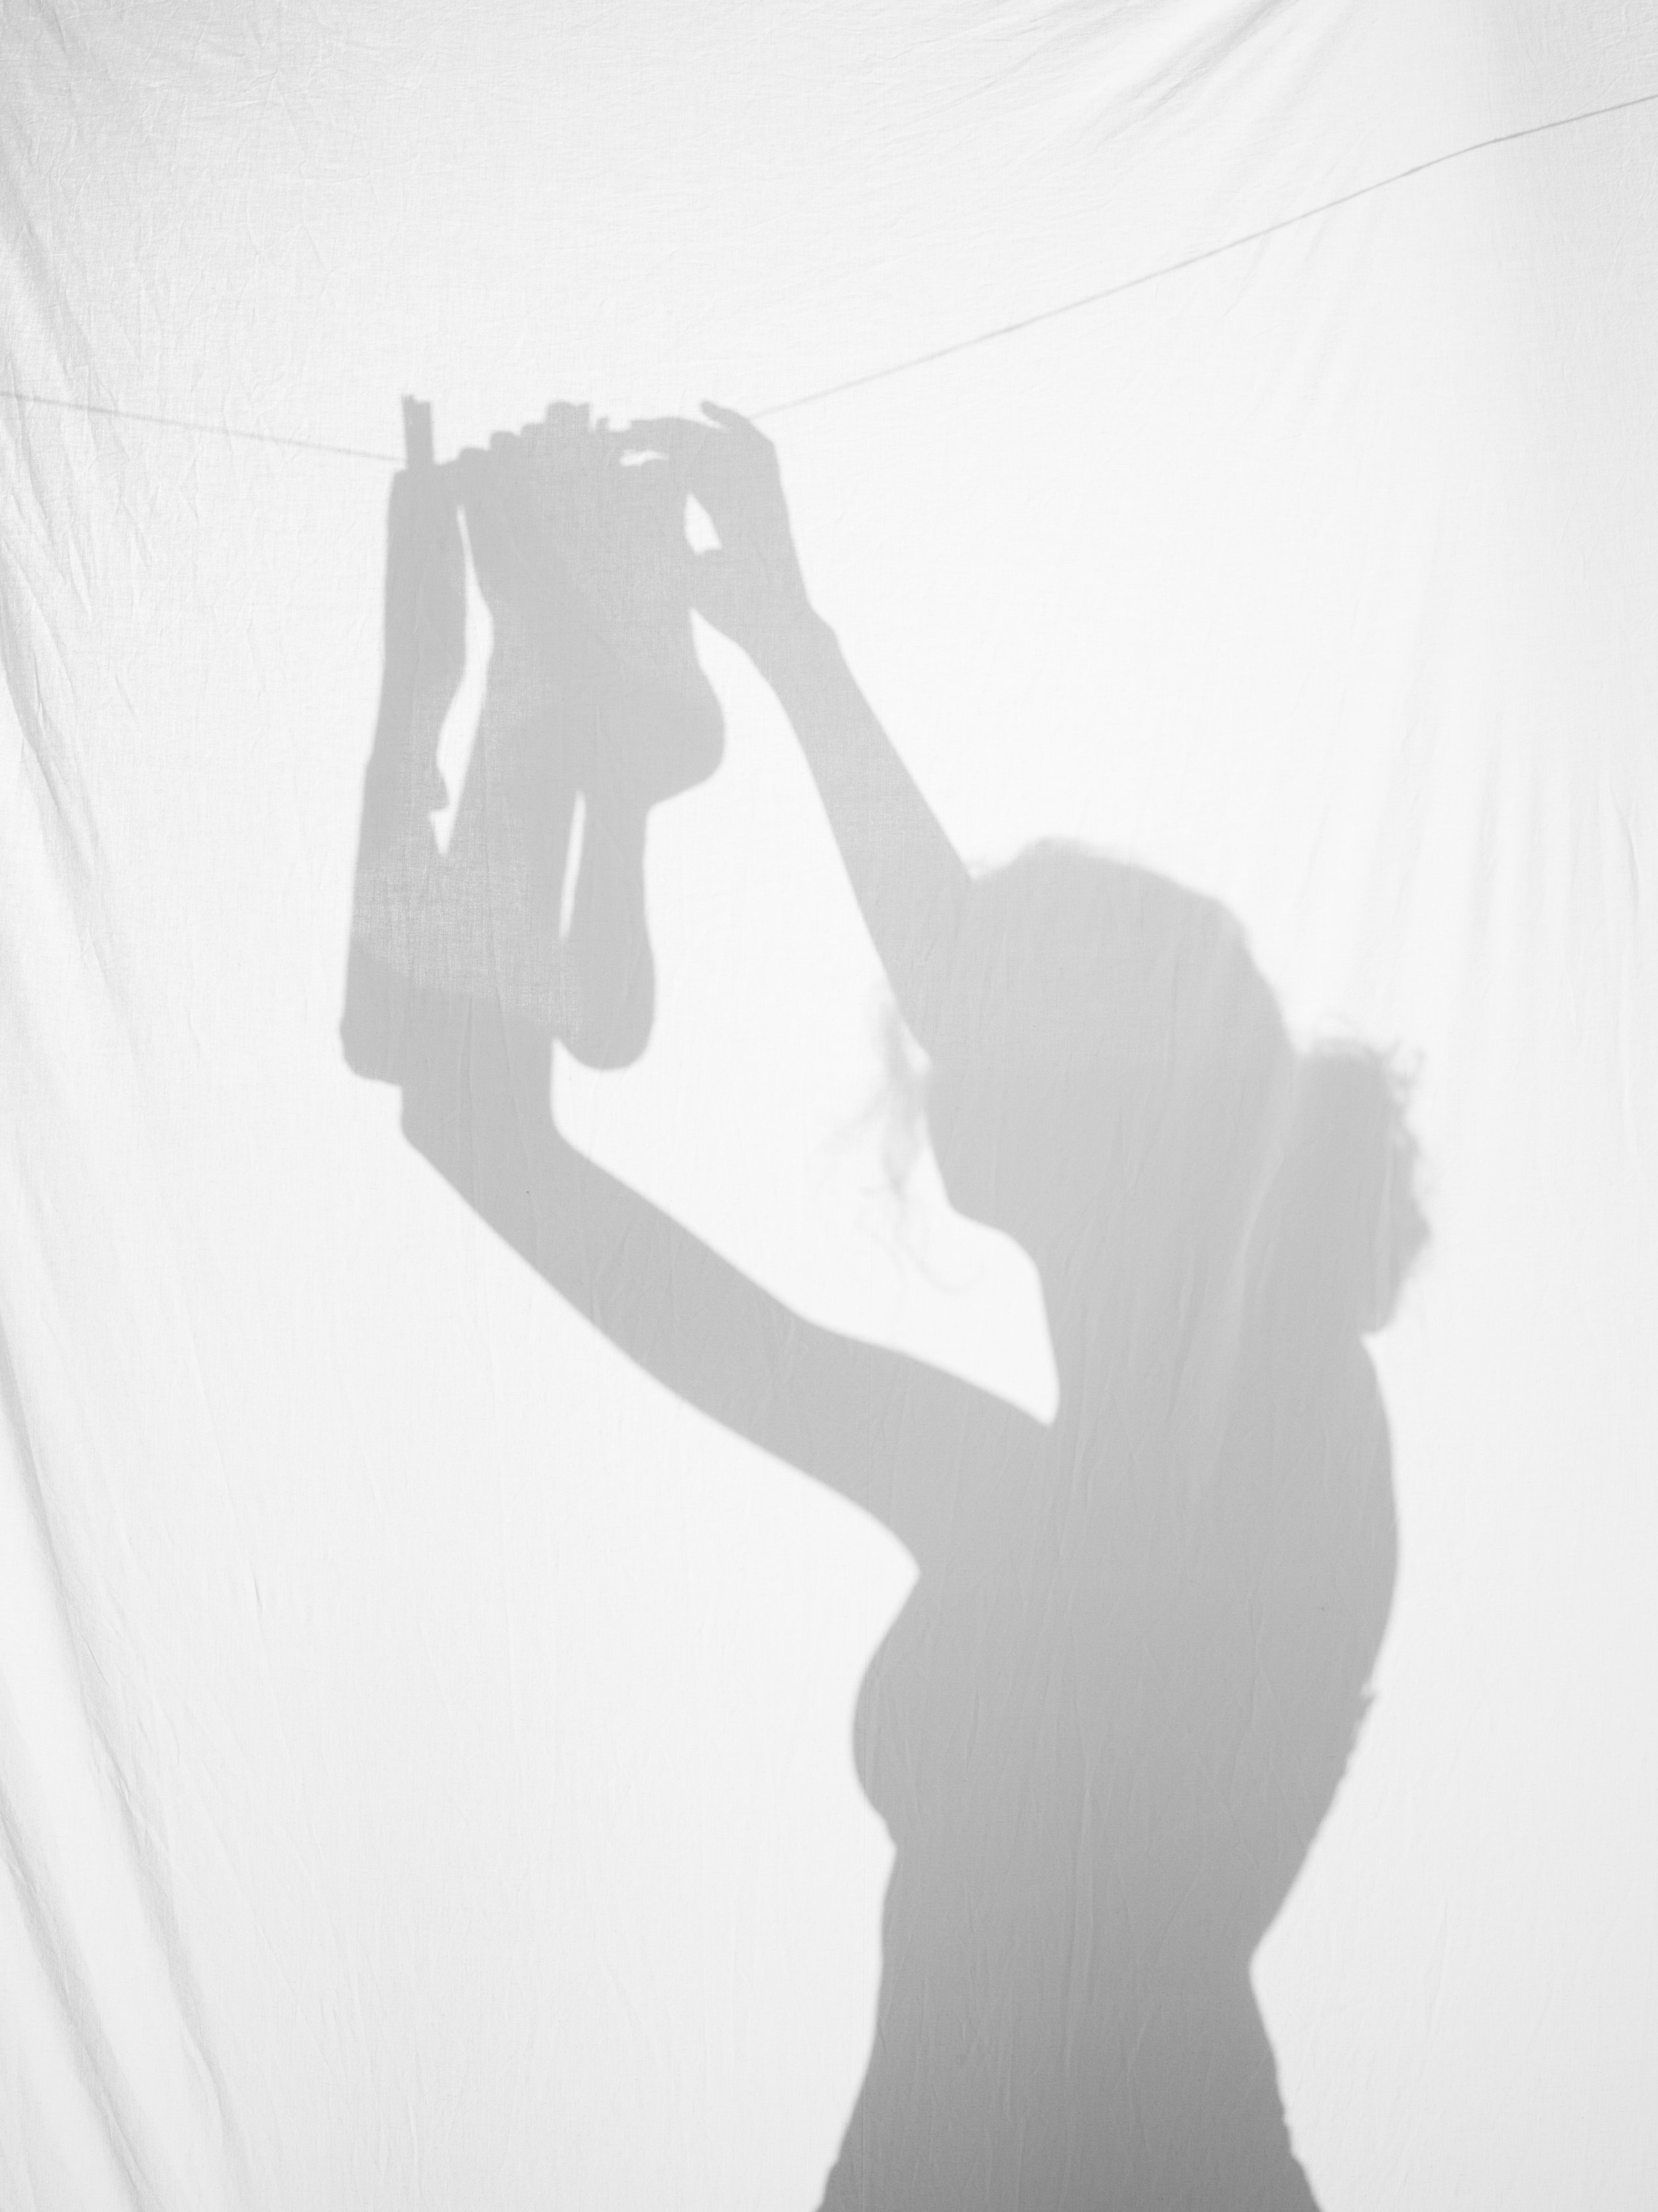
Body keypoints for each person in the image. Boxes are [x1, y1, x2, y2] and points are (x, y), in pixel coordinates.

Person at [345, 402, 1427, 2210]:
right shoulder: (1080, 1493)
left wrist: (514, 718)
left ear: (1122, 1112)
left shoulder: (1153, 1487)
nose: (938, 1048)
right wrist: (666, 676)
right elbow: (494, 1143)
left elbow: (497, 1143)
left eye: (999, 1029)